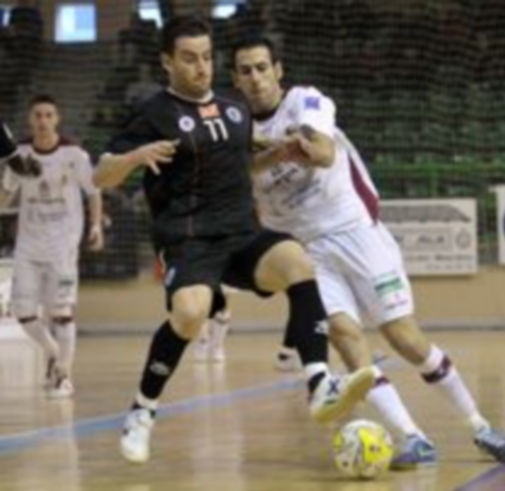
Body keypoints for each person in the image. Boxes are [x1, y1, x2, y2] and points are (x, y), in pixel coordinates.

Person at [93, 16, 375, 465]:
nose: (201, 67)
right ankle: (143, 411)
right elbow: (100, 174)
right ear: (167, 62)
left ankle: (320, 383)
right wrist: (134, 157)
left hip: (242, 232)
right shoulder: (152, 113)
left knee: (299, 264)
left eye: (206, 57)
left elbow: (245, 150)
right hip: (189, 238)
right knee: (190, 314)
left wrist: (278, 151)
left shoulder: (233, 105)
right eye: (189, 58)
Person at [229, 35, 505, 464]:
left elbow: (323, 153)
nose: (255, 78)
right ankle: (412, 438)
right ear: (235, 78)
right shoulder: (235, 127)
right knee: (347, 338)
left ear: (278, 70)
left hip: (355, 231)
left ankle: (479, 425)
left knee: (404, 338)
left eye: (261, 68)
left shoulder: (306, 102)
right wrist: (279, 152)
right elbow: (238, 172)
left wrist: (296, 148)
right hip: (303, 251)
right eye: (245, 70)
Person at [0, 95, 104, 398]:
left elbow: (93, 191)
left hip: (63, 246)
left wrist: (96, 226)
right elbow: (4, 198)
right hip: (29, 247)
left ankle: (63, 375)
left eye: (48, 115)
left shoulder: (74, 154)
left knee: (62, 312)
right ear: (30, 120)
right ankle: (54, 351)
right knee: (23, 312)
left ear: (56, 119)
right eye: (38, 115)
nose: (43, 121)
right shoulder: (18, 155)